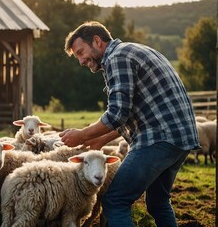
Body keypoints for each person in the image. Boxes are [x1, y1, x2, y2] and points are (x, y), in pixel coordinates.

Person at [59, 21, 200, 227]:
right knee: (158, 202)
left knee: (116, 201)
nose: (81, 61)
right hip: (179, 138)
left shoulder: (117, 58)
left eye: (81, 52)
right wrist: (98, 139)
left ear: (97, 41)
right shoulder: (134, 50)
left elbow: (117, 114)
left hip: (158, 139)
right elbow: (129, 113)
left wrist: (82, 135)